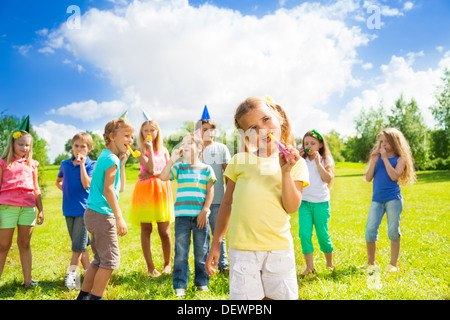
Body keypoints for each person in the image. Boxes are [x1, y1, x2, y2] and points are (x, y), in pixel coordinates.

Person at [205, 96, 309, 300]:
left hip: (278, 249)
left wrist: (286, 172)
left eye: (265, 119)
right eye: (252, 128)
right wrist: (216, 243)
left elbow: (291, 207)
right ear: (245, 135)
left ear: (278, 117)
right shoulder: (239, 161)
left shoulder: (295, 163)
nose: (262, 130)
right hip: (242, 250)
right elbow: (227, 203)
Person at [76, 118, 134, 300]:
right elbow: (109, 190)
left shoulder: (106, 157)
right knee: (109, 263)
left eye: (132, 137)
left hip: (92, 214)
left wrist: (122, 163)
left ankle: (83, 297)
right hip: (103, 216)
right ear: (112, 136)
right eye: (126, 136)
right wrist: (119, 217)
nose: (131, 140)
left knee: (98, 260)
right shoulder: (111, 160)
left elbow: (119, 188)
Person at [160, 133, 215, 298]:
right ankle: (180, 284)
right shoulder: (180, 167)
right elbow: (163, 177)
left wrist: (205, 210)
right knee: (181, 253)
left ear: (199, 148)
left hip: (200, 217)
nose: (183, 146)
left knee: (201, 252)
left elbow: (210, 190)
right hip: (182, 217)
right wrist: (172, 160)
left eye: (188, 143)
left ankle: (202, 283)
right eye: (182, 143)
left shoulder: (206, 169)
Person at [363, 128, 416, 272]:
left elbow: (394, 176)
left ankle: (393, 264)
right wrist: (374, 161)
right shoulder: (377, 157)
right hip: (377, 200)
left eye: (387, 141)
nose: (383, 144)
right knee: (370, 231)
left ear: (395, 142)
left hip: (393, 199)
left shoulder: (400, 159)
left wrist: (385, 159)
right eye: (382, 141)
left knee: (393, 231)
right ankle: (371, 263)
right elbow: (368, 178)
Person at [0, 130, 44, 288]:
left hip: (28, 208)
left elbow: (36, 188)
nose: (24, 148)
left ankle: (28, 281)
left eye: (27, 145)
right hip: (7, 208)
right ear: (12, 144)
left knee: (24, 243)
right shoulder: (3, 162)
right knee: (3, 246)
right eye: (20, 144)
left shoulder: (32, 164)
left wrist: (40, 210)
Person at [130, 120, 174, 277]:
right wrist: (148, 150)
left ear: (157, 133)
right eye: (145, 130)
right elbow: (149, 167)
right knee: (146, 229)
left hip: (162, 190)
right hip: (145, 192)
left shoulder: (164, 150)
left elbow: (168, 173)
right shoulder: (139, 151)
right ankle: (150, 267)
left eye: (152, 130)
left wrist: (153, 174)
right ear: (141, 133)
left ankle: (167, 264)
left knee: (164, 230)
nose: (148, 133)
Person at [56, 132, 96, 289]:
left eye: (83, 146)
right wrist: (65, 190)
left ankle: (72, 276)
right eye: (76, 146)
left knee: (77, 247)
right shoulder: (64, 164)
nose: (79, 149)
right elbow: (58, 181)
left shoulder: (91, 165)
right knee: (80, 244)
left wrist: (81, 165)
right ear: (71, 147)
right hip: (68, 209)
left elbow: (86, 184)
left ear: (89, 149)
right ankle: (89, 273)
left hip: (83, 210)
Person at [195, 118, 231, 272]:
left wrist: (230, 196)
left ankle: (222, 265)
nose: (208, 132)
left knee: (218, 234)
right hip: (198, 202)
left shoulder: (221, 148)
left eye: (211, 129)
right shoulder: (195, 149)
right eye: (204, 129)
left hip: (218, 200)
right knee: (202, 236)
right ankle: (204, 266)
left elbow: (228, 173)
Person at [298, 130, 335, 276]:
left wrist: (319, 163)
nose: (309, 146)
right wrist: (297, 159)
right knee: (304, 234)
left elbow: (328, 179)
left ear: (320, 145)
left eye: (312, 143)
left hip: (321, 202)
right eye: (306, 143)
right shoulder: (302, 160)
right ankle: (309, 267)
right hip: (304, 202)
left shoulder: (326, 159)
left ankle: (329, 264)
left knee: (322, 234)